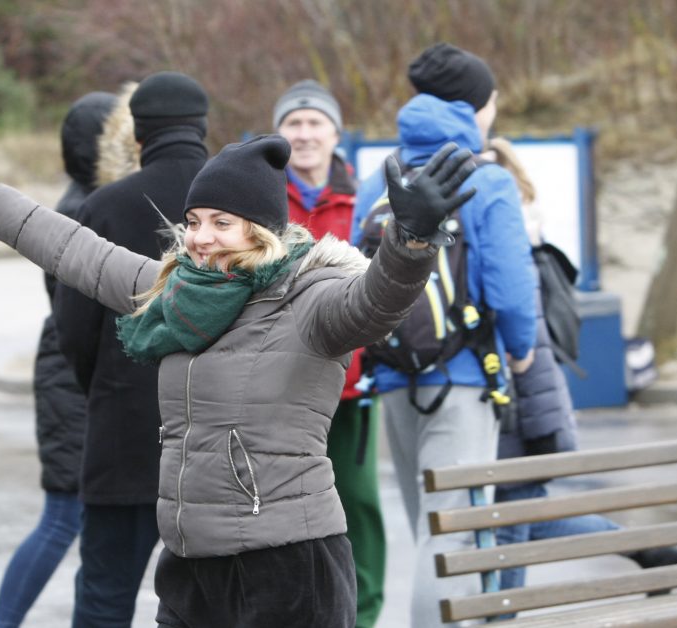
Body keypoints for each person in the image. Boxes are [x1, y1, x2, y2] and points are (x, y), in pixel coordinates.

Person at [0, 116, 479, 626]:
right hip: (190, 563)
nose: (200, 237)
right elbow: (77, 252)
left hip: (286, 563)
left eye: (221, 222)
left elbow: (377, 301)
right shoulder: (175, 291)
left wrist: (410, 243)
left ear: (259, 231)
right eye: (192, 221)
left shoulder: (309, 300)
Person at [351, 43, 538, 627]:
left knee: (427, 527)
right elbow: (510, 287)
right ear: (475, 107)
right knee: (452, 537)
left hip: (392, 375)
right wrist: (524, 347)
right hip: (464, 375)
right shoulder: (488, 178)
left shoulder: (379, 180)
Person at [486, 136, 677, 601]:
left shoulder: (517, 257)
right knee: (524, 512)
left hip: (521, 411)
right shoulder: (517, 249)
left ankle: (502, 615)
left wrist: (529, 424)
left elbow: (528, 352)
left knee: (511, 517)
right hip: (525, 408)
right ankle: (647, 550)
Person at [54, 71, 210, 628]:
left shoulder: (102, 208)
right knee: (211, 605)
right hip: (215, 449)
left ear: (138, 137)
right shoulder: (240, 212)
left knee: (104, 596)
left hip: (123, 439)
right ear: (202, 129)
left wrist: (111, 386)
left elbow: (72, 334)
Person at [0, 85, 139, 628]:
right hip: (72, 382)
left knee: (73, 519)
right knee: (61, 517)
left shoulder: (90, 200)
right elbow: (82, 317)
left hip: (72, 378)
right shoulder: (84, 209)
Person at [273, 79, 386, 627]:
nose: (304, 133)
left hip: (354, 389)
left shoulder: (366, 197)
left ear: (336, 133)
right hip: (285, 388)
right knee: (285, 515)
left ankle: (363, 616)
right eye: (293, 123)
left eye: (315, 122)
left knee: (358, 506)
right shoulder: (265, 199)